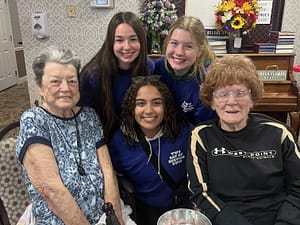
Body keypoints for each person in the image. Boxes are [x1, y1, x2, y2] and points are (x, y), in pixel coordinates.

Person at [15, 46, 124, 225]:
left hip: (102, 217)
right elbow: (52, 191)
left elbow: (108, 172)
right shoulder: (34, 120)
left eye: (72, 81)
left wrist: (116, 220)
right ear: (40, 88)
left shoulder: (89, 117)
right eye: (56, 81)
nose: (65, 88)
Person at [186, 55, 300, 225]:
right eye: (222, 94)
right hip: (225, 220)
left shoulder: (278, 133)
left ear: (252, 98)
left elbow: (298, 187)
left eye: (240, 93)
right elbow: (200, 194)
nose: (231, 102)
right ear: (212, 101)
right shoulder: (201, 136)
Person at [109, 76, 193, 225]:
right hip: (146, 211)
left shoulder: (181, 132)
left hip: (183, 207)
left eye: (157, 103)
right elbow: (115, 179)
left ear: (166, 106)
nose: (149, 110)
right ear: (131, 108)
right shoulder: (119, 142)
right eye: (140, 103)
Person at [80, 11, 155, 141]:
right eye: (119, 40)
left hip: (138, 138)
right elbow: (84, 121)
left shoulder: (149, 67)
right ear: (110, 43)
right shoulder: (92, 75)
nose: (126, 47)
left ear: (142, 41)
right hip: (102, 139)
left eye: (133, 39)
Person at [154, 16, 216, 125]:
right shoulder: (159, 67)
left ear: (200, 51)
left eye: (188, 46)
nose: (179, 52)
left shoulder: (207, 81)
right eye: (174, 43)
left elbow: (205, 129)